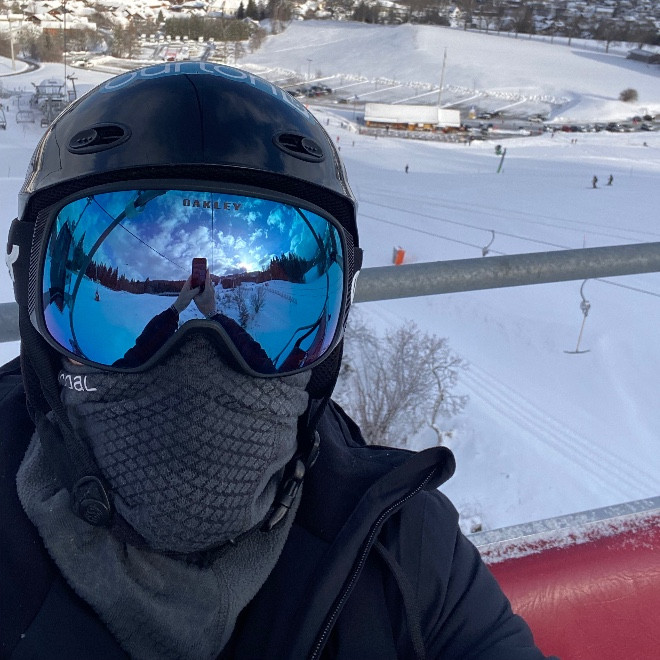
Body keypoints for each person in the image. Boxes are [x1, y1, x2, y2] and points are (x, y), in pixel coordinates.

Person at [1, 63, 554, 659]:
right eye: (97, 324)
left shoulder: (403, 543)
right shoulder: (392, 538)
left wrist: (182, 312)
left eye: (249, 313)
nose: (201, 358)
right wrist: (183, 311)